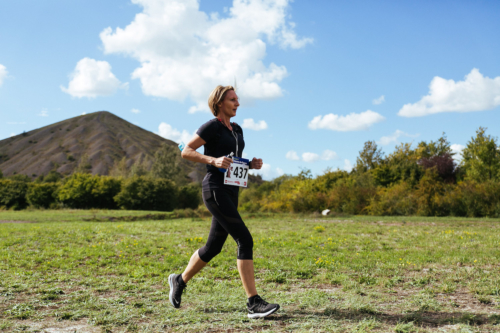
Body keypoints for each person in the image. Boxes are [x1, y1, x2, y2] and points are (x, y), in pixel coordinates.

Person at [168, 85, 280, 319]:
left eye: (237, 99)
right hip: (215, 189)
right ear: (220, 103)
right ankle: (253, 303)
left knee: (213, 247)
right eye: (232, 99)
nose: (237, 103)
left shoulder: (237, 129)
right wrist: (213, 160)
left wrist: (250, 164)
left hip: (232, 191)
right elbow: (186, 151)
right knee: (244, 239)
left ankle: (179, 279)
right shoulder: (212, 126)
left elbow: (233, 160)